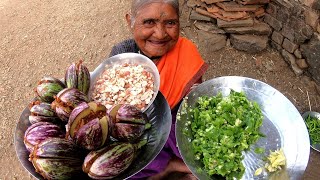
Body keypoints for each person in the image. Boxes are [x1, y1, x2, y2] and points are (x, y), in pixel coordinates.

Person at [109, 0, 208, 179]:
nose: (160, 34)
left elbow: (194, 102)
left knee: (204, 152)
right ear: (130, 20)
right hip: (142, 133)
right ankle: (169, 167)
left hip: (175, 129)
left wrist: (195, 92)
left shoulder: (186, 51)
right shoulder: (123, 55)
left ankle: (176, 165)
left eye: (170, 23)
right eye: (149, 22)